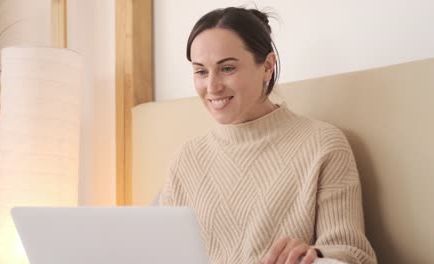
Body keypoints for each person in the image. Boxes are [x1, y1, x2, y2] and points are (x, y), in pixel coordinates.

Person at [159, 7, 376, 264]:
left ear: (267, 67)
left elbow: (354, 254)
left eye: (227, 68)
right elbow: (162, 252)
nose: (212, 86)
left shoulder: (323, 145)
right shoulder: (186, 158)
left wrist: (316, 255)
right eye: (201, 71)